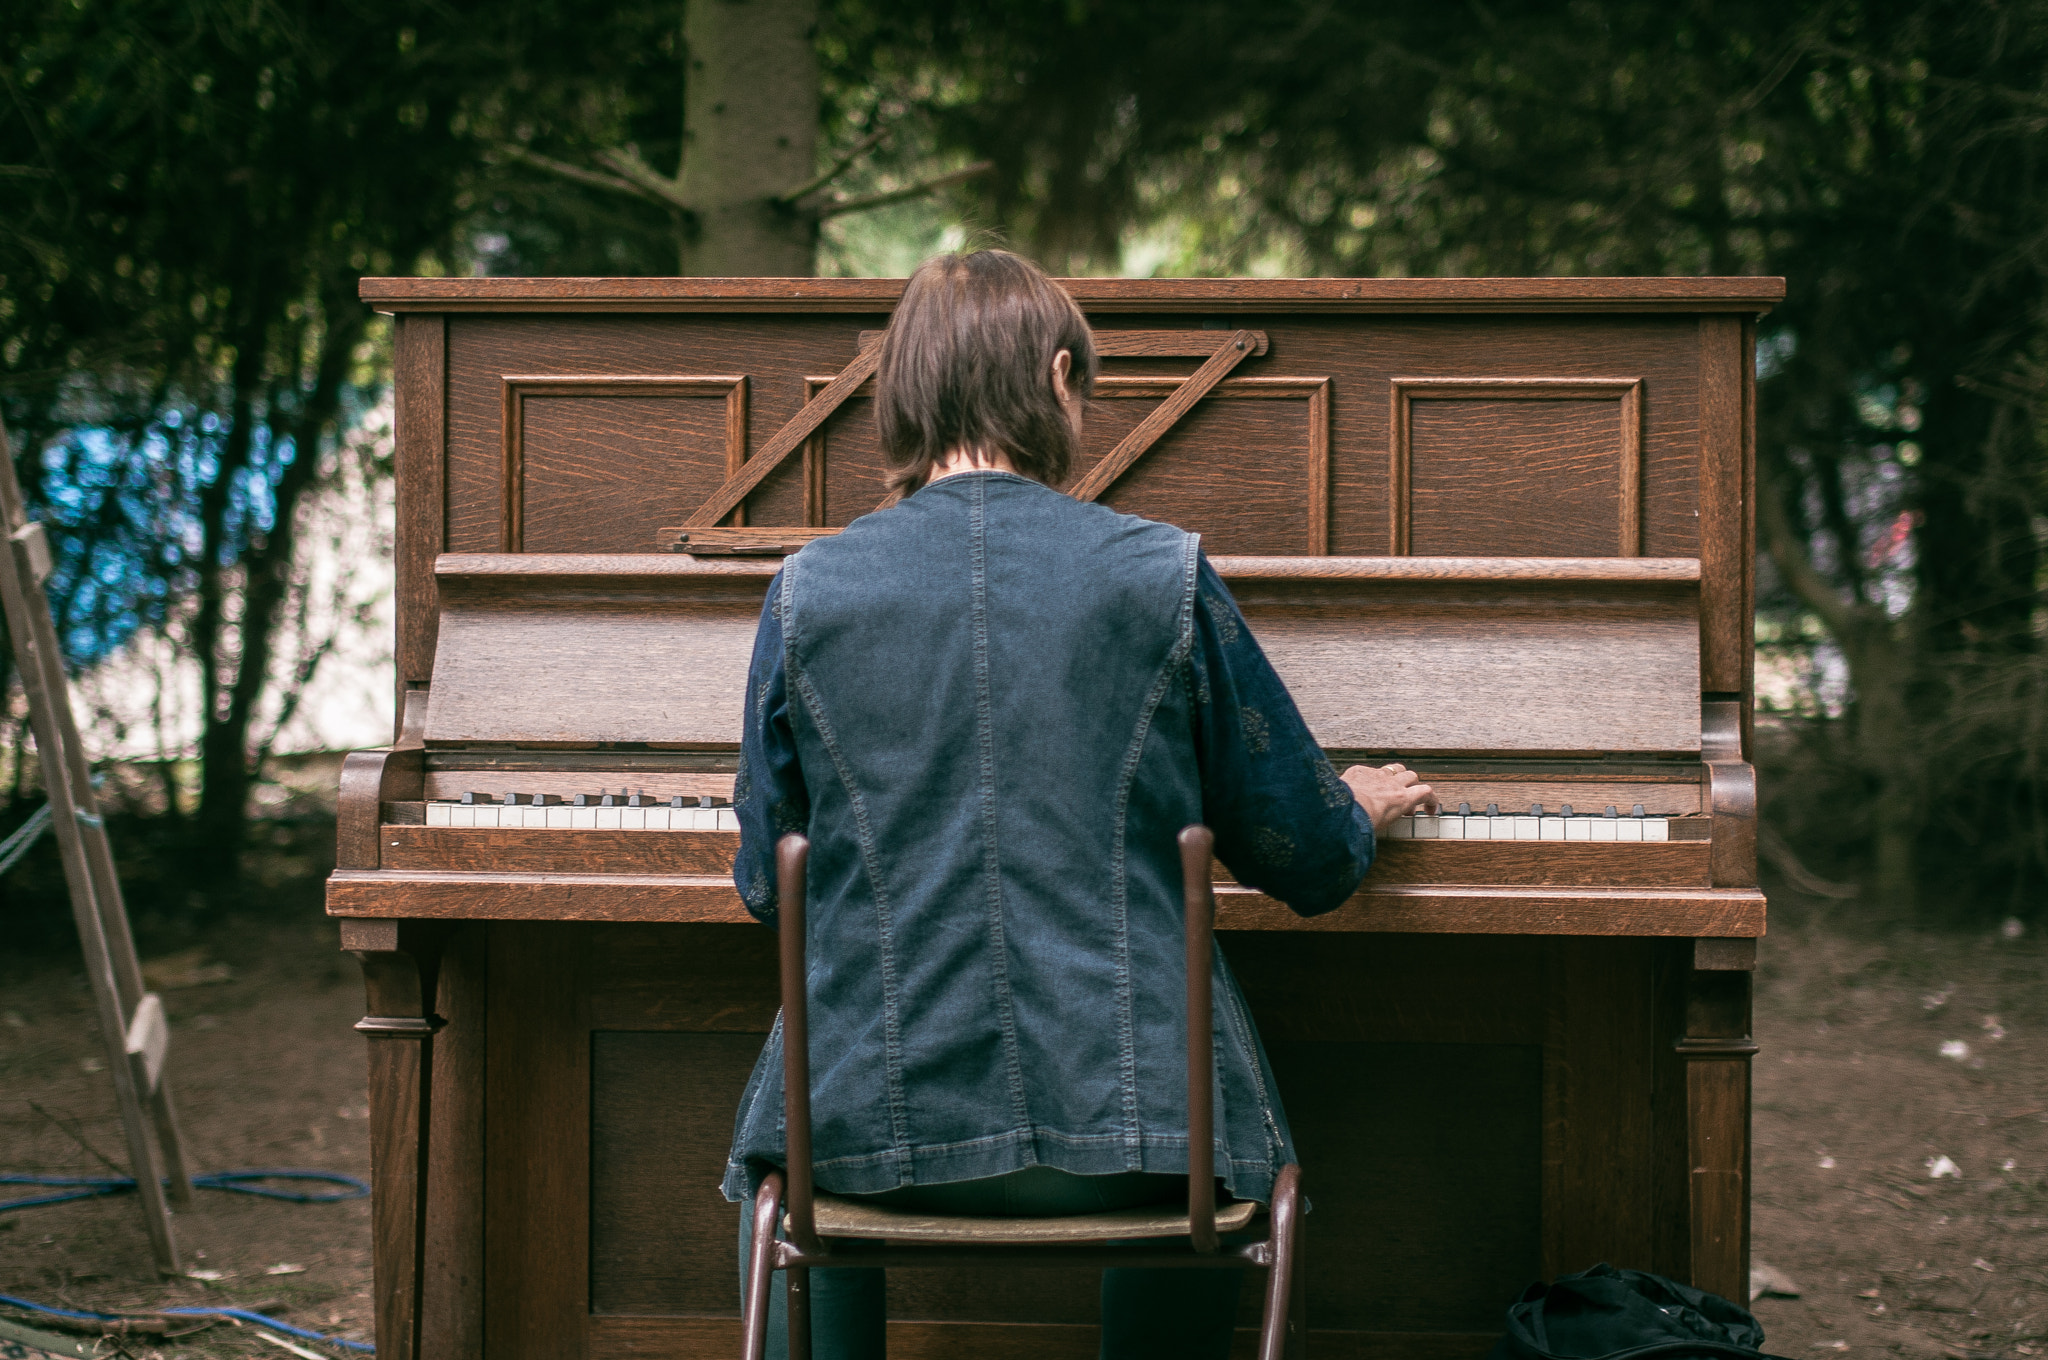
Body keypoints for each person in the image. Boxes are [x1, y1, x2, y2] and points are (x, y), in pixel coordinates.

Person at [723, 248, 1435, 1360]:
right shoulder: (1159, 572)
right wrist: (1355, 805)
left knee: (794, 1168)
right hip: (1143, 1134)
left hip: (870, 1129)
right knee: (1188, 1122)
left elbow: (769, 886)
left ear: (897, 392)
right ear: (1059, 377)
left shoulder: (807, 587)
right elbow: (1302, 857)